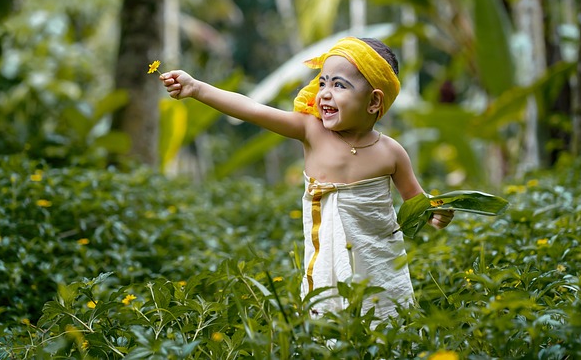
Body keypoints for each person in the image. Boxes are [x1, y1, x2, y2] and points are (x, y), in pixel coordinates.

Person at [159, 37, 454, 318]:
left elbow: (417, 202)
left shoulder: (391, 153)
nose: (324, 92)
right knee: (330, 324)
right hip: (326, 265)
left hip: (379, 264)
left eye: (339, 86)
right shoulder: (311, 132)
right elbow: (252, 109)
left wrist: (435, 211)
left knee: (384, 323)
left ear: (374, 102)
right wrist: (197, 88)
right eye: (322, 81)